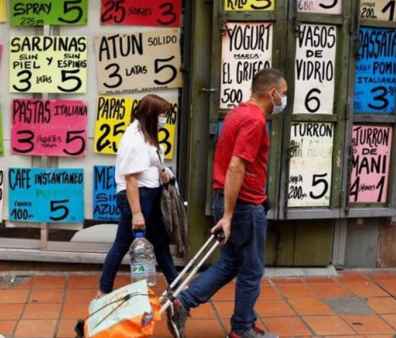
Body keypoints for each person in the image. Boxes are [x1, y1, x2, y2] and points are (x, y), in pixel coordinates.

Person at [167, 68, 287, 338]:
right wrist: (230, 216)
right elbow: (236, 166)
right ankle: (242, 328)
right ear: (273, 93)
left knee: (230, 262)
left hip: (228, 199)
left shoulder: (236, 113)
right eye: (284, 94)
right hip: (243, 205)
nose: (284, 100)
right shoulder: (255, 121)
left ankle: (182, 302)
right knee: (251, 269)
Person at [96, 94, 179, 299]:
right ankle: (103, 290)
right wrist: (137, 213)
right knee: (122, 244)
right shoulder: (136, 138)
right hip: (138, 198)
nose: (164, 119)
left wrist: (163, 173)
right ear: (151, 115)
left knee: (159, 242)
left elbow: (146, 166)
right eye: (162, 114)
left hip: (147, 195)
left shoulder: (144, 132)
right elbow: (130, 178)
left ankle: (175, 284)